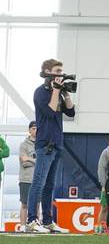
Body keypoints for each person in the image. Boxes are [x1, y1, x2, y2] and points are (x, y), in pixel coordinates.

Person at [26, 58, 74, 234]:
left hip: (57, 144)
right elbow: (50, 111)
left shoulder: (59, 93)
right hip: (45, 144)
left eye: (62, 71)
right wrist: (56, 91)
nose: (61, 74)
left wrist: (66, 93)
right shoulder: (40, 92)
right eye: (58, 71)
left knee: (49, 186)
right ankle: (31, 220)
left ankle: (47, 221)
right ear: (48, 73)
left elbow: (71, 112)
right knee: (38, 183)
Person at [18, 122, 37, 230]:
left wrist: (29, 159)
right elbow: (24, 162)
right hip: (25, 179)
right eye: (34, 128)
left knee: (37, 204)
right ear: (29, 130)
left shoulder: (41, 145)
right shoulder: (23, 145)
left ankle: (35, 224)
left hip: (37, 179)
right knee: (24, 203)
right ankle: (22, 226)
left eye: (37, 128)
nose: (36, 131)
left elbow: (28, 159)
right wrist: (36, 161)